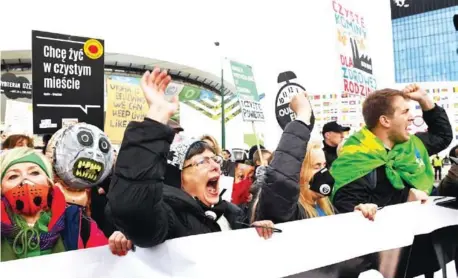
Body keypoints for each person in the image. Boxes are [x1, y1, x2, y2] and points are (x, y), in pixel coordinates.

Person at [106, 68, 275, 256]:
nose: (216, 166)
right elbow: (133, 206)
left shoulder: (231, 213)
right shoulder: (170, 217)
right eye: (202, 161)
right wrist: (157, 115)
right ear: (179, 176)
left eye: (215, 159)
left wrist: (255, 231)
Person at [252, 93, 377, 224]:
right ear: (298, 172)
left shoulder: (325, 205)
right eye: (316, 166)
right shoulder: (288, 210)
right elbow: (282, 179)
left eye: (323, 165)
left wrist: (356, 215)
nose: (323, 172)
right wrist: (303, 114)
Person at [331, 85, 453, 213]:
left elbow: (442, 136)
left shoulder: (411, 144)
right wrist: (406, 203)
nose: (412, 117)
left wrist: (423, 99)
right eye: (405, 112)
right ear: (385, 121)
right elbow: (349, 213)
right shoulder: (356, 159)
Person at [0, 148, 106, 261]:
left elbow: (104, 262)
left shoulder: (76, 221)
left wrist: (119, 245)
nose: (25, 181)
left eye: (34, 173)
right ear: (1, 188)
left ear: (49, 182)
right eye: (13, 176)